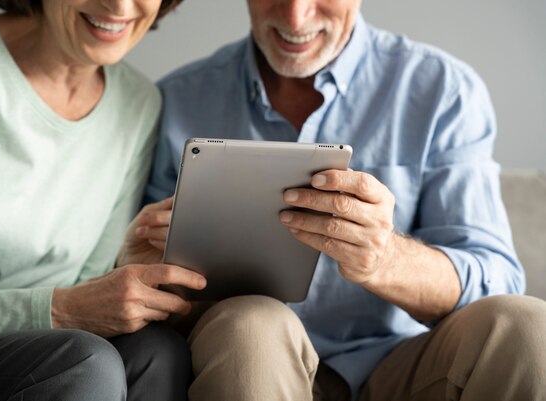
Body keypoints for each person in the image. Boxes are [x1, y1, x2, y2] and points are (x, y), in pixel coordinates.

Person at [144, 0, 546, 400]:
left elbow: (496, 280)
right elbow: (153, 297)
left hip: (404, 365)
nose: (295, 16)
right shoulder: (177, 100)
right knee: (251, 324)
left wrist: (387, 258)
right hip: (248, 359)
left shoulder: (443, 89)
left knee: (527, 325)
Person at [0, 1, 207, 400]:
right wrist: (60, 308)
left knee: (159, 352)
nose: (120, 6)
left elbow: (82, 290)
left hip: (46, 348)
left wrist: (121, 265)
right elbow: (71, 312)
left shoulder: (138, 102)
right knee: (86, 363)